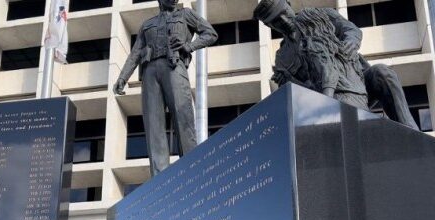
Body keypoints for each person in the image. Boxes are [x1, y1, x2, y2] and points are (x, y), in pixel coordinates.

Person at [254, 0, 419, 130]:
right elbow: (296, 97)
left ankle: (410, 131)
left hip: (356, 82)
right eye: (276, 21)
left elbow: (351, 30)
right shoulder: (282, 57)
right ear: (269, 26)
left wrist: (351, 42)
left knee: (382, 73)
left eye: (284, 13)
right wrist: (287, 83)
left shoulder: (319, 16)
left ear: (289, 5)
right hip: (324, 101)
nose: (284, 21)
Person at [114, 0, 218, 176]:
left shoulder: (186, 14)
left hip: (174, 67)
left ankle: (192, 172)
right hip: (149, 72)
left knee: (183, 117)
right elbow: (135, 53)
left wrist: (189, 46)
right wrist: (123, 77)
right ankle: (159, 178)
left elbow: (211, 34)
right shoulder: (147, 24)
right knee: (153, 124)